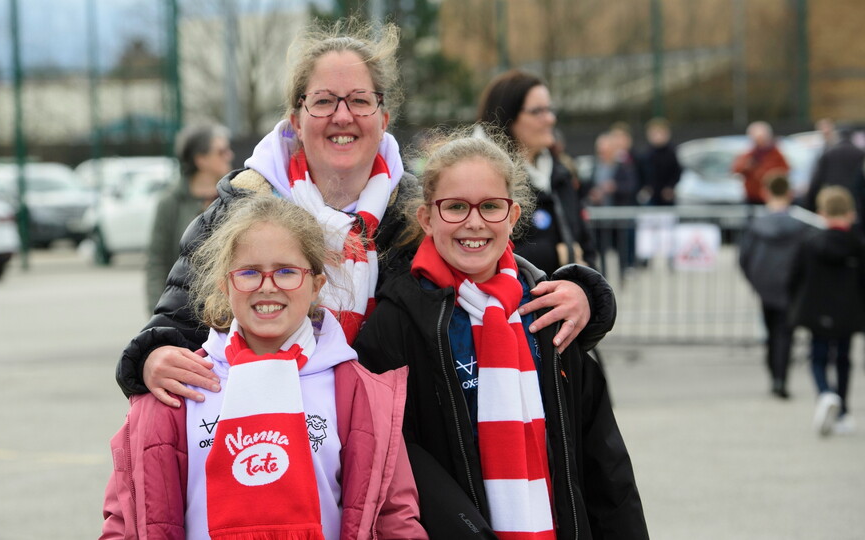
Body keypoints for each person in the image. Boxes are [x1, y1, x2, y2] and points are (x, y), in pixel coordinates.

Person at [117, 20, 614, 410]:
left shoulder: (419, 213)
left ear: (383, 118)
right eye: (324, 101)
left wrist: (583, 293)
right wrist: (154, 358)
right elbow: (170, 328)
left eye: (359, 100)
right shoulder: (238, 211)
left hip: (405, 454)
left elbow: (507, 279)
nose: (343, 116)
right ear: (295, 119)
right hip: (275, 452)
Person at [354, 130, 648, 539]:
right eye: (455, 207)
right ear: (427, 218)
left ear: (512, 216)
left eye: (490, 207)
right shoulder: (396, 324)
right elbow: (395, 464)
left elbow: (604, 462)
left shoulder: (549, 310)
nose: (474, 222)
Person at [100, 195, 427, 539]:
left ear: (317, 284)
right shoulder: (178, 389)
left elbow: (394, 519)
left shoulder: (360, 395)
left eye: (287, 272)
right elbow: (125, 519)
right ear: (224, 284)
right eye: (249, 272)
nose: (268, 286)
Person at [477, 69, 597, 275]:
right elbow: (480, 253)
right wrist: (554, 255)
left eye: (550, 110)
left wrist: (587, 289)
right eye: (537, 111)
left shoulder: (560, 174)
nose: (550, 119)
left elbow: (586, 245)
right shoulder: (481, 177)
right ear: (508, 117)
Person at [789, 185, 865, 436]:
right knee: (843, 359)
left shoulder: (810, 242)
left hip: (817, 309)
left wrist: (794, 303)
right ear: (850, 213)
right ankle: (842, 411)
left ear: (822, 213)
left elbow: (794, 276)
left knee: (819, 357)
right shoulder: (857, 245)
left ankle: (825, 393)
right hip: (849, 311)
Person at [738, 174, 817, 399]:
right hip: (791, 286)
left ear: (765, 193)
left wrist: (756, 281)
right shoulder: (801, 227)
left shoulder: (757, 225)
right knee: (784, 332)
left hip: (766, 285)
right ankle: (780, 377)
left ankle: (775, 374)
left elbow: (745, 257)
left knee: (771, 331)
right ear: (789, 194)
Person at [146, 124, 234, 310]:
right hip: (183, 313)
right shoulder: (170, 203)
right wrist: (158, 313)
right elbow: (156, 263)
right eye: (221, 151)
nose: (230, 155)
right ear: (200, 159)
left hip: (230, 313)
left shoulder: (236, 195)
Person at [803, 125, 865, 218]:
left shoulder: (829, 153)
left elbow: (816, 181)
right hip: (854, 203)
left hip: (832, 200)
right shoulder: (860, 153)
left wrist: (808, 206)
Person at [732, 121, 790, 205]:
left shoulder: (775, 154)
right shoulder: (749, 154)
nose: (760, 142)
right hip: (752, 197)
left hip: (770, 197)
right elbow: (737, 169)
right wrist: (748, 167)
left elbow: (785, 171)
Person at [637, 117, 683, 206]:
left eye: (660, 132)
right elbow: (640, 174)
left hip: (668, 198)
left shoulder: (673, 153)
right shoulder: (645, 154)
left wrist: (671, 187)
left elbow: (678, 173)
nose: (657, 136)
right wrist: (645, 188)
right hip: (650, 198)